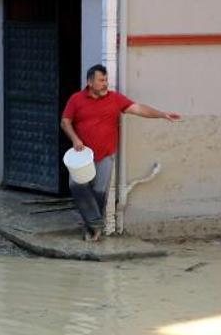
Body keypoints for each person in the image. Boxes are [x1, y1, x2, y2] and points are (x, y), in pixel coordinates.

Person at [60, 64, 181, 240]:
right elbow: (65, 122)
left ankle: (92, 231)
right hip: (82, 155)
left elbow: (138, 109)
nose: (105, 84)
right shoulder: (76, 99)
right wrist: (75, 139)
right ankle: (95, 223)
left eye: (106, 80)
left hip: (106, 155)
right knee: (76, 186)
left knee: (100, 192)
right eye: (101, 80)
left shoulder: (115, 99)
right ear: (90, 82)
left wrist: (162, 114)